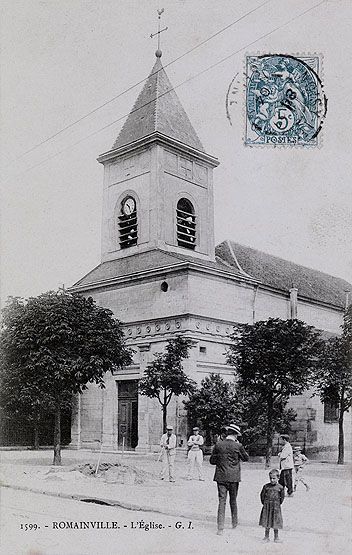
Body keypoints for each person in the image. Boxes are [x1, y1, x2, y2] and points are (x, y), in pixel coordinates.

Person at [210, 423, 249, 535]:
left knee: (221, 502)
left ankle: (220, 528)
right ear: (235, 435)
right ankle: (234, 523)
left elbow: (212, 461)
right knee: (233, 500)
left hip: (221, 477)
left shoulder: (218, 445)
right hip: (234, 477)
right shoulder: (238, 446)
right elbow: (246, 458)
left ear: (227, 433)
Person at [259, 469, 285, 543]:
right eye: (270, 478)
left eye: (274, 478)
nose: (272, 480)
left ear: (278, 478)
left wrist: (278, 504)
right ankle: (266, 537)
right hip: (267, 506)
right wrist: (265, 503)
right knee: (267, 521)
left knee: (275, 521)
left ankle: (276, 537)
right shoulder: (266, 486)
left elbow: (282, 498)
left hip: (276, 507)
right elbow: (262, 496)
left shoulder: (280, 487)